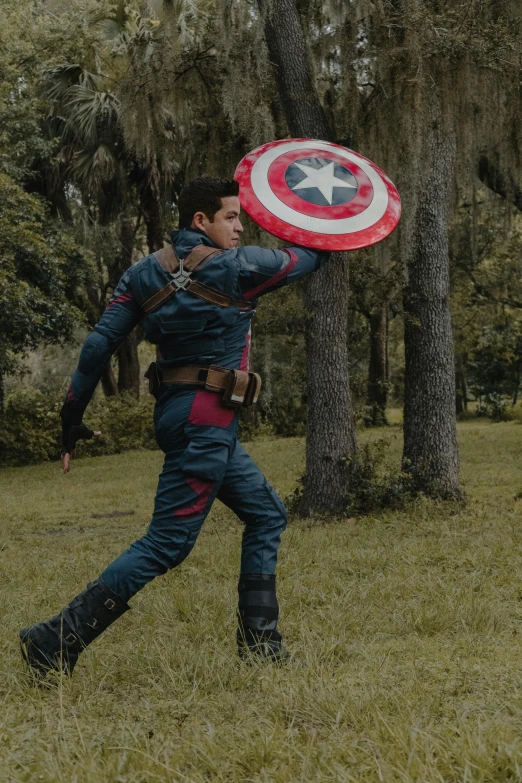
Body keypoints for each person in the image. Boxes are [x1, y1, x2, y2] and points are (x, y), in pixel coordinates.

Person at [20, 177, 330, 678]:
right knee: (166, 543)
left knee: (268, 513)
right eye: (232, 217)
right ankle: (53, 639)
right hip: (205, 421)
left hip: (181, 417)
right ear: (200, 221)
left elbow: (98, 347)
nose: (239, 227)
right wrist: (329, 211)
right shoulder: (242, 266)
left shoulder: (142, 274)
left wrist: (71, 416)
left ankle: (260, 643)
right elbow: (311, 257)